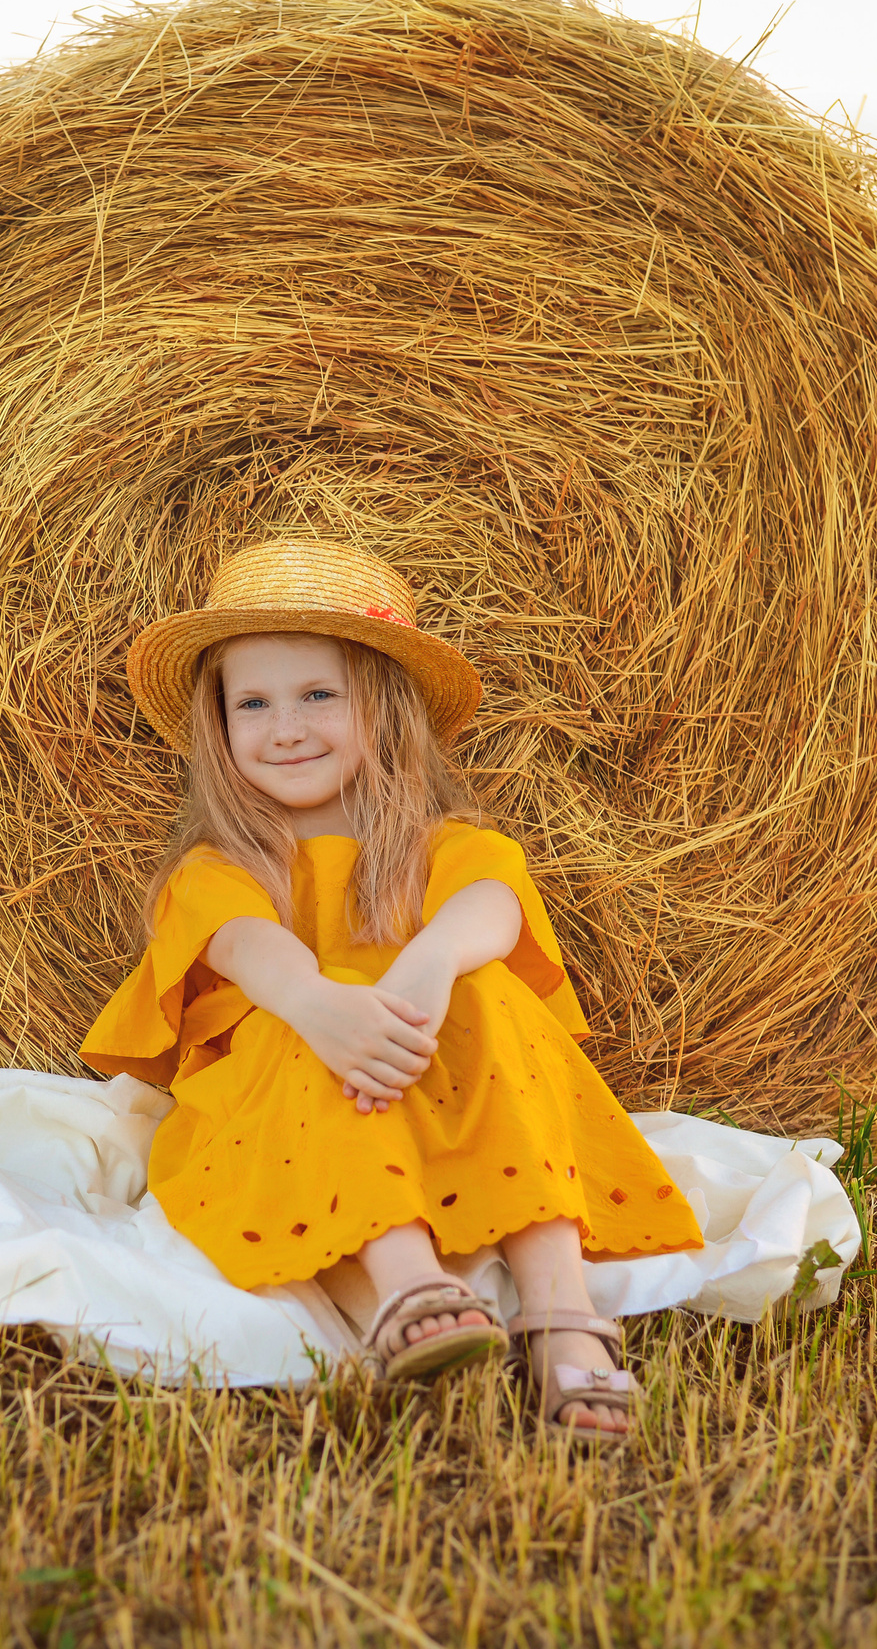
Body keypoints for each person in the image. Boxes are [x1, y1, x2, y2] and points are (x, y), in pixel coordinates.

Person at [81, 539, 704, 1445]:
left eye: (317, 695)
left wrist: (428, 964)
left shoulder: (433, 841)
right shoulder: (217, 866)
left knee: (489, 991)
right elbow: (246, 945)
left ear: (383, 706)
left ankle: (558, 1308)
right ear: (219, 727)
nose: (285, 726)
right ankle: (407, 1281)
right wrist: (320, 1002)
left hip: (421, 1072)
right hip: (281, 1100)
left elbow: (493, 898)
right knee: (299, 1017)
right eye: (252, 703)